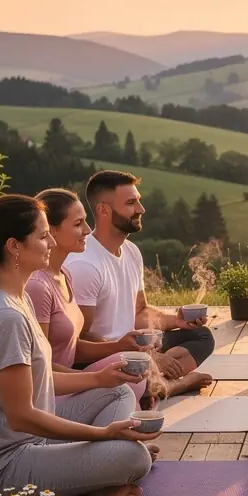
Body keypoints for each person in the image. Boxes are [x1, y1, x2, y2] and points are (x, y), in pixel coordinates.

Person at [0, 194, 160, 496]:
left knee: (117, 392)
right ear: (14, 246)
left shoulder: (17, 298)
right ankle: (93, 478)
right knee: (134, 458)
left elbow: (38, 380)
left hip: (32, 443)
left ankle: (89, 473)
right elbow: (21, 416)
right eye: (43, 236)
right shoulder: (4, 317)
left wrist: (100, 378)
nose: (51, 242)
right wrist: (103, 435)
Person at [64, 170, 214, 397]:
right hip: (105, 357)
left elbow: (139, 311)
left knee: (201, 336)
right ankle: (171, 385)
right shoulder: (85, 265)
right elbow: (78, 339)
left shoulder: (131, 251)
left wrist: (176, 321)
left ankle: (153, 379)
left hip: (134, 345)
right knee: (130, 372)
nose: (141, 209)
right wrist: (146, 356)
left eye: (138, 201)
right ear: (103, 210)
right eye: (131, 203)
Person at [28, 189, 154, 406]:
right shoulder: (38, 287)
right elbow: (37, 365)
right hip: (49, 392)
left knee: (129, 365)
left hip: (69, 379)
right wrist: (94, 379)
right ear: (52, 231)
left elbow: (70, 348)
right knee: (122, 386)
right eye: (78, 224)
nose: (87, 230)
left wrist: (120, 345)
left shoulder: (64, 275)